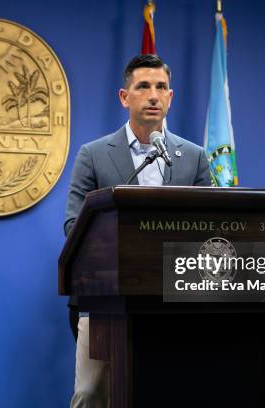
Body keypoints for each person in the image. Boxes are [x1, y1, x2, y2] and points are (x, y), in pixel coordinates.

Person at [64, 54, 212, 408]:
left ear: (171, 97)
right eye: (143, 86)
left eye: (161, 87)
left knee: (161, 392)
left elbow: (209, 227)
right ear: (124, 96)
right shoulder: (94, 154)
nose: (153, 95)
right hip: (105, 300)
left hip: (173, 300)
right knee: (91, 395)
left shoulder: (193, 157)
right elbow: (73, 225)